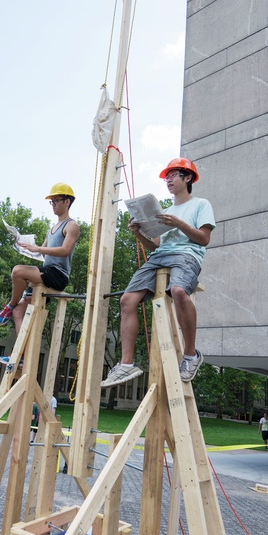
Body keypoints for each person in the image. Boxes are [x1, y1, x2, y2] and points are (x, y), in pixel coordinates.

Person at [100, 158, 215, 388]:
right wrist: (137, 233)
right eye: (166, 177)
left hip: (186, 255)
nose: (168, 180)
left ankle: (191, 355)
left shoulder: (201, 205)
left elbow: (204, 239)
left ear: (188, 177)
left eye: (173, 175)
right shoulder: (166, 211)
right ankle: (126, 364)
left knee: (178, 290)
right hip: (159, 257)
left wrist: (179, 224)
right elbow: (155, 246)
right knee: (127, 300)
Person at [0, 183, 80, 338]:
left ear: (67, 202)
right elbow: (41, 253)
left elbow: (65, 250)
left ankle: (9, 306)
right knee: (19, 311)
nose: (53, 205)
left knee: (18, 271)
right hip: (46, 272)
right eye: (51, 202)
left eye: (56, 201)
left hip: (58, 275)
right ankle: (22, 352)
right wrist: (22, 244)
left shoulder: (71, 225)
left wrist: (38, 248)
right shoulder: (51, 230)